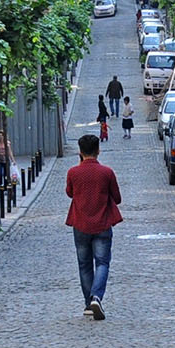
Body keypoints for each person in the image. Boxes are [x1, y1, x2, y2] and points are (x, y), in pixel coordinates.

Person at [64, 134, 121, 320]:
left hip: (80, 224)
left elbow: (70, 193)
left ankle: (89, 303)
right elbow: (117, 198)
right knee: (102, 262)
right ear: (98, 150)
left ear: (80, 152)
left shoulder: (73, 172)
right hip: (102, 224)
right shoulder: (107, 172)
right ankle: (97, 296)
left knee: (84, 264)